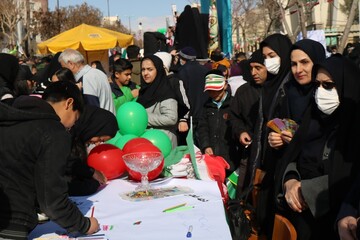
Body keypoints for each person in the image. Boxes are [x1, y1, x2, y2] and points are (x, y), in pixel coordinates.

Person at [274, 54, 360, 240]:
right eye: (317, 85)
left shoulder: (354, 128)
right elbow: (294, 156)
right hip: (299, 221)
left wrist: (306, 189)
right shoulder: (312, 118)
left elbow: (349, 178)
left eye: (328, 85)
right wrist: (289, 181)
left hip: (334, 227)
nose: (321, 91)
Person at [0, 81, 99, 239]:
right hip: (12, 221)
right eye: (75, 118)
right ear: (69, 103)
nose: (72, 126)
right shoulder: (53, 131)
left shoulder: (12, 114)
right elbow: (52, 201)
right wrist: (85, 225)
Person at [230, 49, 267, 192]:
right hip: (250, 152)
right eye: (251, 68)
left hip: (271, 154)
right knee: (245, 191)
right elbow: (234, 116)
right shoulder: (244, 91)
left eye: (258, 68)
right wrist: (241, 132)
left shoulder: (278, 91)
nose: (253, 73)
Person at [67, 105, 118, 196]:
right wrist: (92, 176)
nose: (98, 144)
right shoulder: (66, 136)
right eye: (100, 139)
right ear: (94, 128)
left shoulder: (78, 139)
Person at [197, 70, 238, 176]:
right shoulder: (206, 106)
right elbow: (202, 128)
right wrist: (206, 146)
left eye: (216, 90)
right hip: (212, 155)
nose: (213, 93)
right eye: (210, 91)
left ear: (225, 86)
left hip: (231, 155)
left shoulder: (234, 104)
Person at [137, 54, 178, 148]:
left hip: (163, 144)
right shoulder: (143, 90)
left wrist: (143, 119)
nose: (145, 73)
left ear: (158, 70)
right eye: (143, 69)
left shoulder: (165, 91)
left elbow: (171, 118)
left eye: (150, 69)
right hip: (147, 144)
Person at [59, 49, 115, 115]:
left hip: (100, 122)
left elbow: (91, 108)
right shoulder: (98, 72)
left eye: (63, 67)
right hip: (109, 119)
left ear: (71, 64)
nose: (63, 71)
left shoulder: (87, 78)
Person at [154, 51, 190, 146]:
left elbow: (185, 103)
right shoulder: (154, 83)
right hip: (158, 128)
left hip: (175, 128)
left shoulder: (175, 81)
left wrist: (183, 119)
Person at [175, 46, 208, 145]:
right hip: (204, 114)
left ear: (183, 58)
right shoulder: (205, 70)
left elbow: (182, 95)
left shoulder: (182, 71)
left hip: (190, 116)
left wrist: (183, 117)